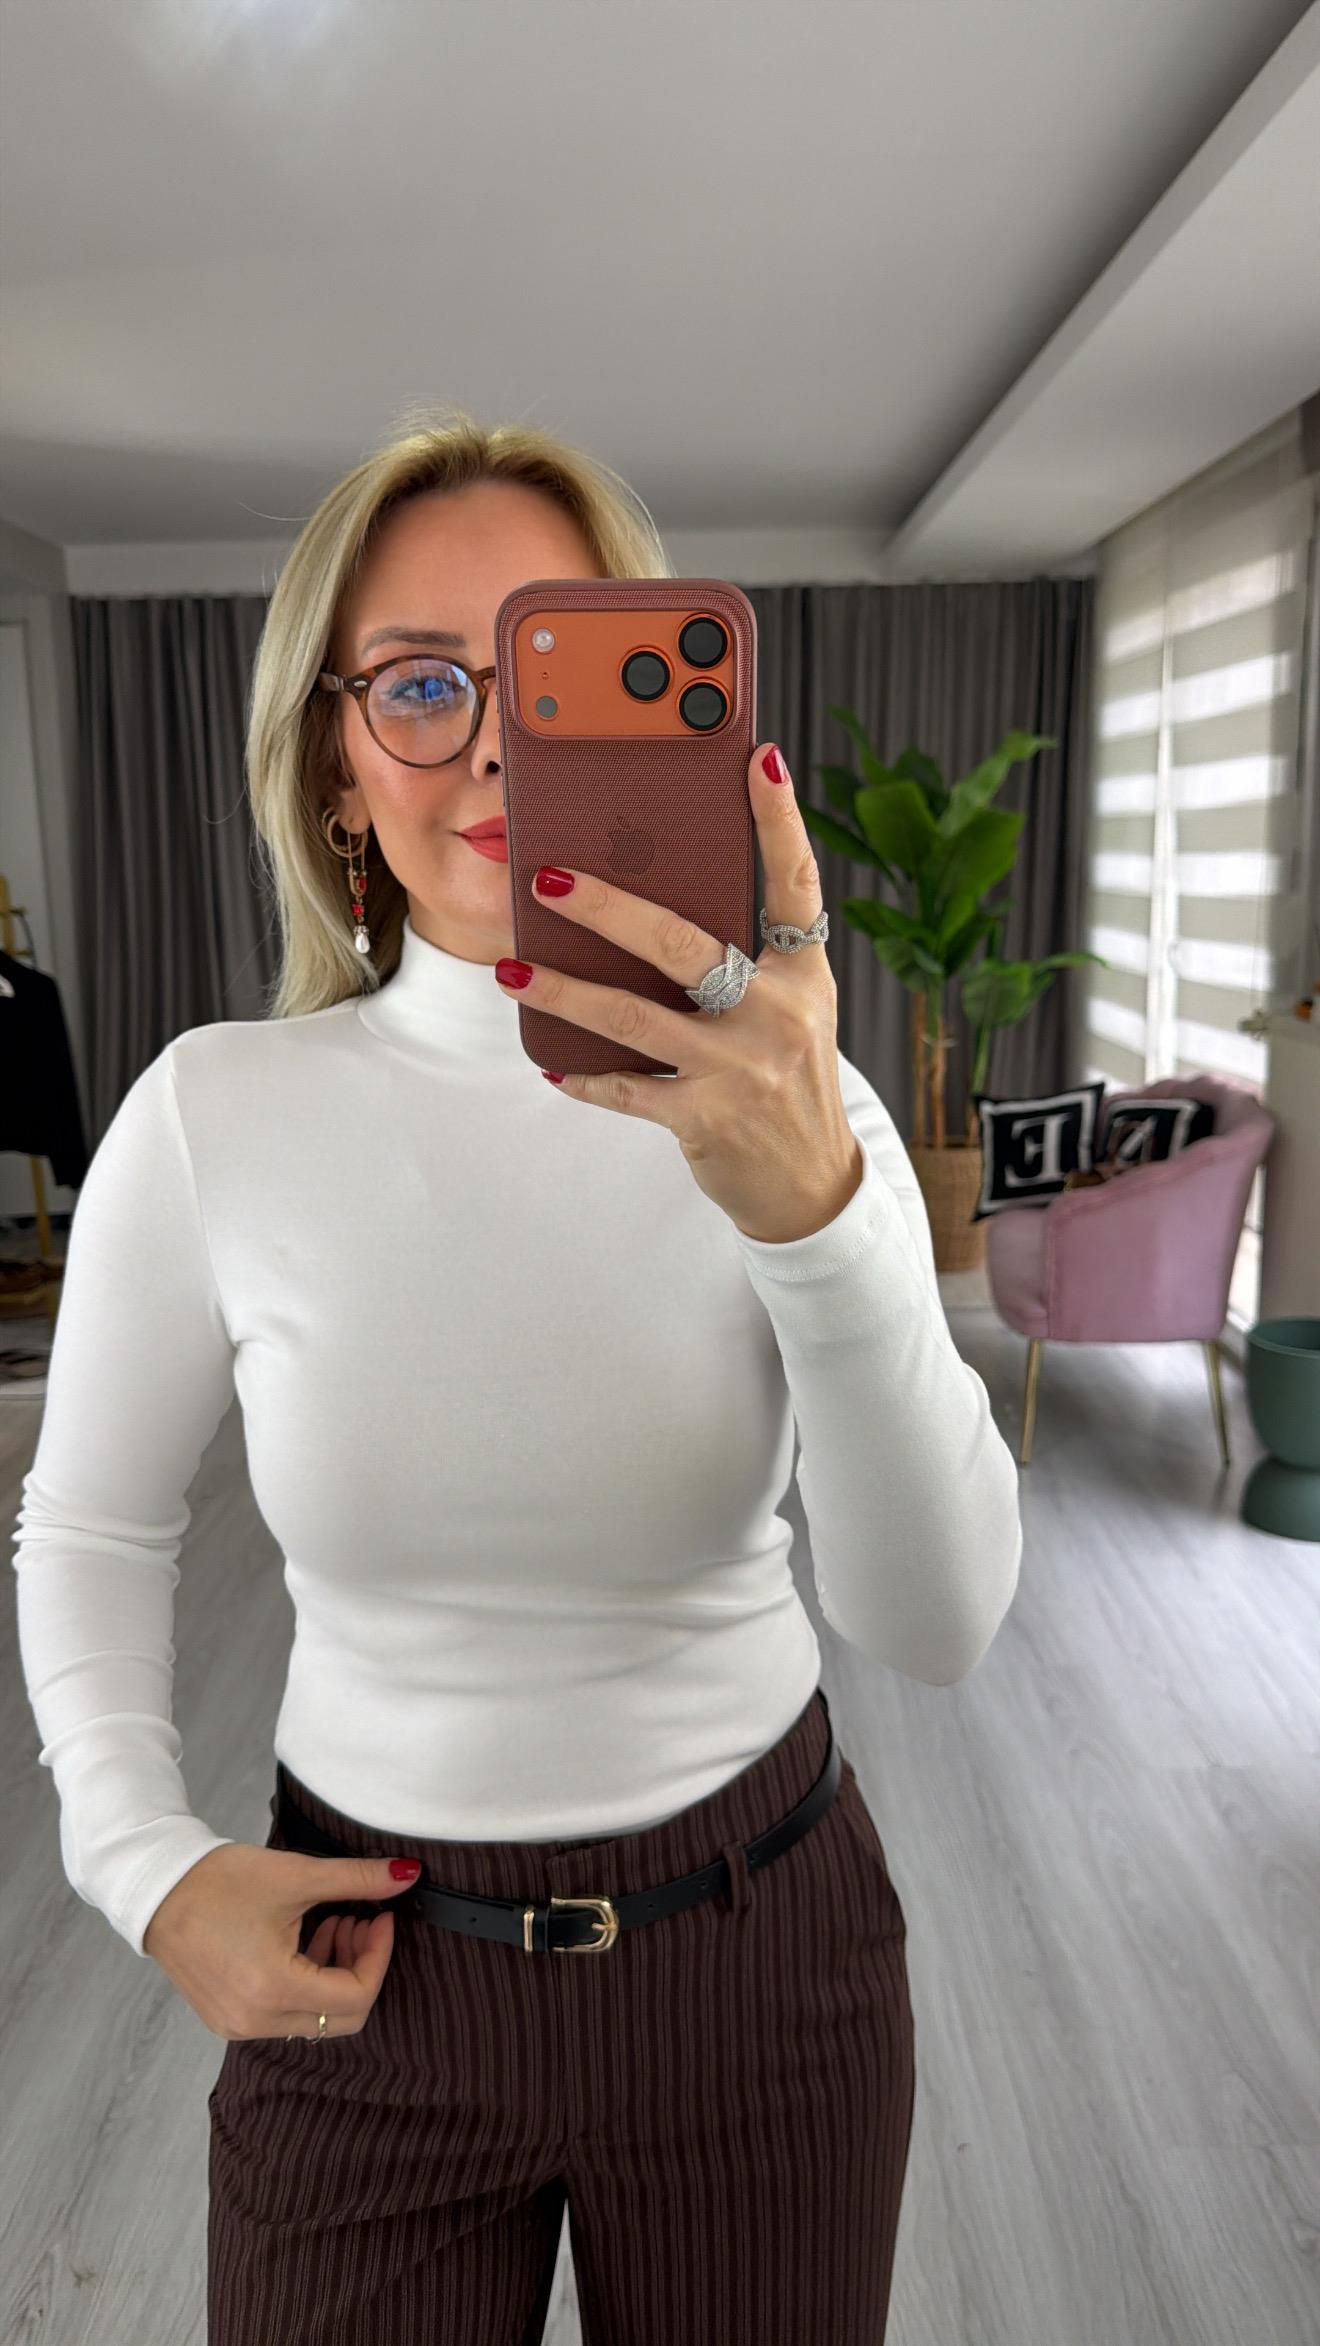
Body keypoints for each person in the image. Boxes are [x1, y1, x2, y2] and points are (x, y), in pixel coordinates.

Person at [12, 405, 1024, 2344]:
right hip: (364, 1980)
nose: (495, 744)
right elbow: (90, 1524)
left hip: (767, 1972)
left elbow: (941, 1621)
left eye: (562, 678)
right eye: (421, 682)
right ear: (334, 760)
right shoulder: (215, 1114)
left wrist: (813, 1213)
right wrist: (137, 1859)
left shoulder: (800, 1107)